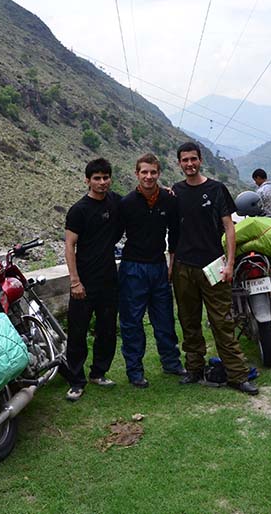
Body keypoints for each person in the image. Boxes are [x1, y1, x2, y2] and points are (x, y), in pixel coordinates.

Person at [171, 142, 259, 395]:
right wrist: (171, 264)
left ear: (200, 160)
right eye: (185, 160)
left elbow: (229, 227)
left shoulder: (217, 189)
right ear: (179, 163)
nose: (189, 164)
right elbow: (172, 231)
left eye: (193, 159)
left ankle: (238, 375)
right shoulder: (176, 192)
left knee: (222, 321)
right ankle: (194, 369)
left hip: (213, 265)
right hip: (183, 267)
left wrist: (230, 263)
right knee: (188, 321)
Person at [118, 153, 186, 388]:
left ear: (159, 174)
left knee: (165, 318)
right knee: (131, 322)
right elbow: (113, 235)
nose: (149, 176)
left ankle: (171, 362)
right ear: (136, 174)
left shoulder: (169, 199)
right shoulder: (126, 203)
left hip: (159, 266)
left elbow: (175, 234)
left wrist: (171, 262)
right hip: (132, 268)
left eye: (153, 172)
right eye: (144, 172)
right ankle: (135, 370)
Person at [62, 158, 122, 401]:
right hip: (84, 282)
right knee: (77, 332)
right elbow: (69, 246)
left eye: (105, 177)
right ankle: (76, 381)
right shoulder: (79, 210)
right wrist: (75, 281)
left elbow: (139, 199)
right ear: (87, 180)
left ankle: (99, 372)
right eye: (96, 178)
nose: (102, 182)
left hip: (108, 278)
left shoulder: (116, 202)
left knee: (107, 329)